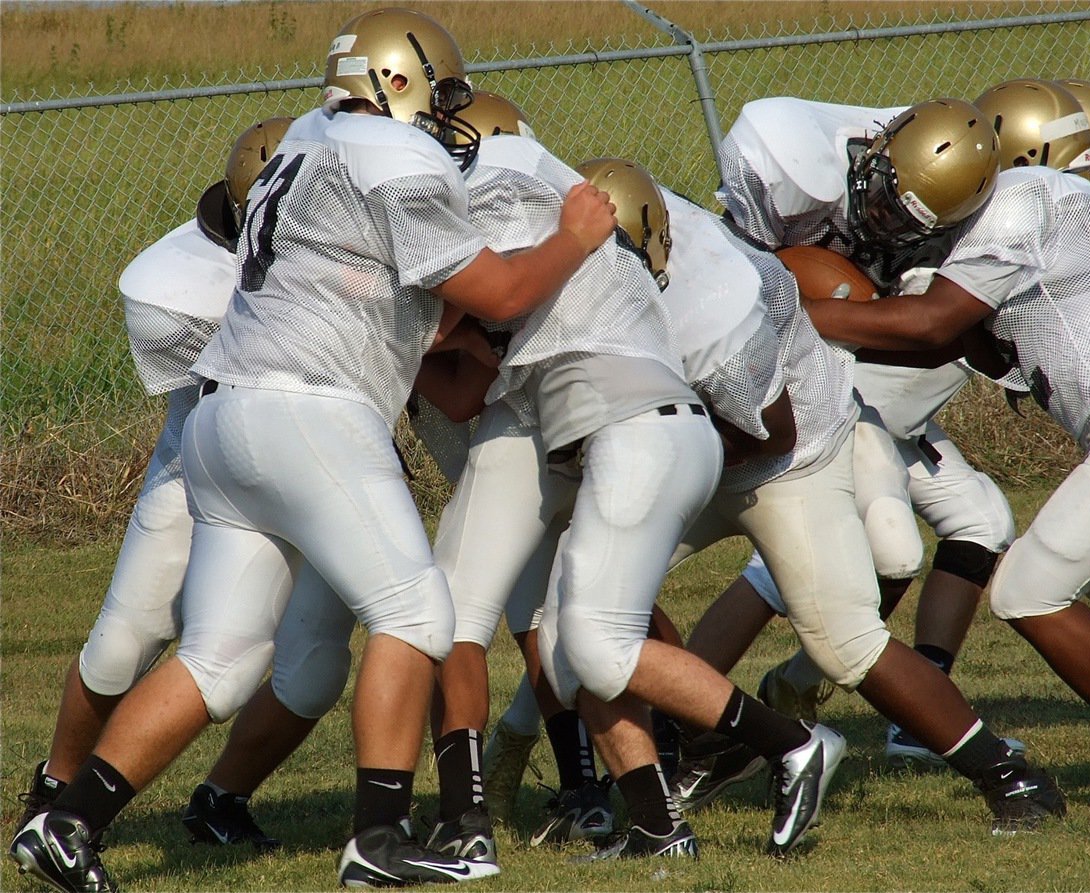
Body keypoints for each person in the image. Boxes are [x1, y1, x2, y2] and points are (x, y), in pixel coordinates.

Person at [8, 9, 619, 892]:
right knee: (416, 613)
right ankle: (378, 835)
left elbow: (374, 287)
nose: (449, 113)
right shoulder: (396, 157)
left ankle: (67, 824)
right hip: (310, 411)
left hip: (220, 419)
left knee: (220, 654)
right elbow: (506, 288)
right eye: (440, 93)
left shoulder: (303, 139)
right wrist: (575, 236)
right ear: (395, 85)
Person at [426, 101, 840, 865]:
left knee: (597, 642)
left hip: (638, 426)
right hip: (609, 428)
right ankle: (655, 823)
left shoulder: (522, 199)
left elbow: (456, 312)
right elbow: (467, 364)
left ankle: (791, 744)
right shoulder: (561, 231)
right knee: (568, 642)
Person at [805, 77, 1090, 816]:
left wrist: (804, 314)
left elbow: (929, 325)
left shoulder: (1025, 198)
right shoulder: (1069, 202)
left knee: (1026, 589)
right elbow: (952, 345)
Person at [11, 117, 358, 855]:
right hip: (204, 453)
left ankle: (220, 798)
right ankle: (55, 792)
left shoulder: (354, 240)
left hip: (324, 457)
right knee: (125, 641)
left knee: (315, 662)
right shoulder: (181, 282)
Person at [708, 94, 1024, 770]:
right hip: (807, 371)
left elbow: (941, 337)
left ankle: (838, 695)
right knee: (826, 551)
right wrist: (819, 311)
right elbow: (748, 276)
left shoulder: (995, 220)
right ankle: (682, 715)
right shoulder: (793, 156)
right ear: (880, 149)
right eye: (882, 199)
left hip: (875, 374)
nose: (881, 220)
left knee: (979, 522)